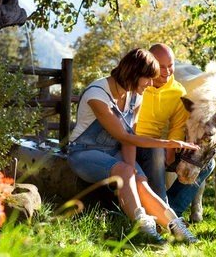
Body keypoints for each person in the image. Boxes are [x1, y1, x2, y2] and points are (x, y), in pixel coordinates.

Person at [67, 48, 199, 244]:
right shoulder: (97, 94)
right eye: (148, 79)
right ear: (134, 74)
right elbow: (121, 135)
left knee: (140, 182)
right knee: (125, 170)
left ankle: (176, 228)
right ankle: (144, 229)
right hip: (84, 153)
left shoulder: (136, 95)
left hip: (114, 153)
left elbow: (129, 135)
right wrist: (168, 143)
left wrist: (134, 172)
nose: (151, 84)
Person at [135, 43, 215, 218]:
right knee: (156, 152)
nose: (167, 71)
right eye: (161, 67)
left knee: (207, 161)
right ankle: (165, 216)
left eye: (170, 65)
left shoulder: (178, 91)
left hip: (159, 144)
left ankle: (171, 209)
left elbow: (178, 126)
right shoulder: (138, 84)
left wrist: (171, 150)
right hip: (133, 143)